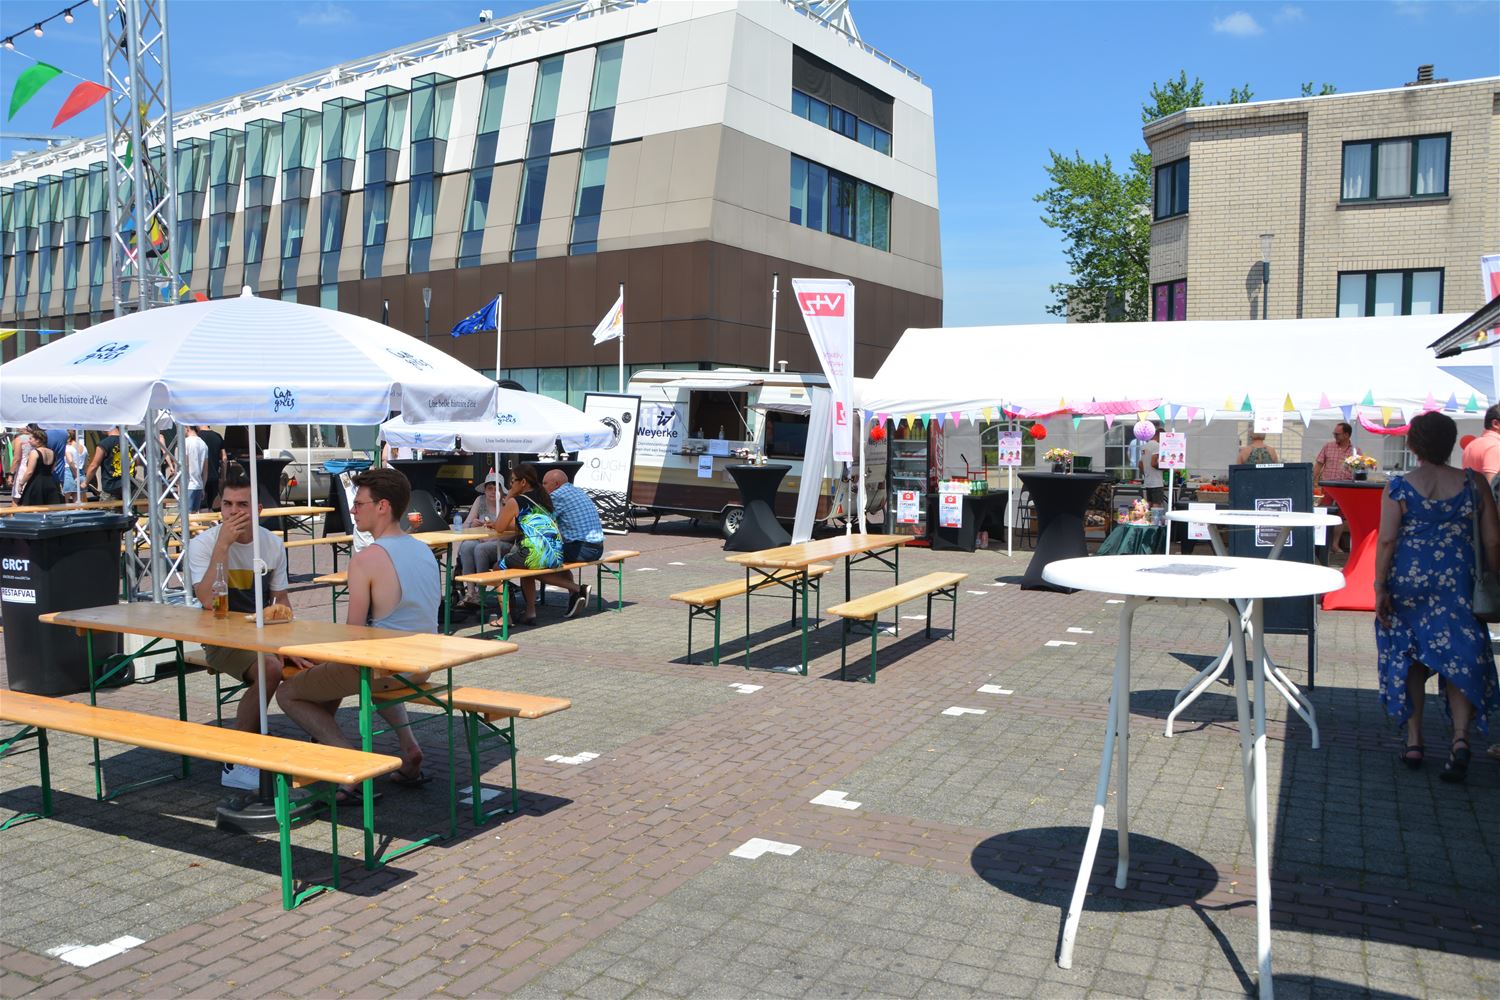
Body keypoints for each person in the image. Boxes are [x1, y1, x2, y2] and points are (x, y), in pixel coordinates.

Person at [277, 468, 436, 797]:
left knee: (288, 693)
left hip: (383, 668)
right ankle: (409, 749)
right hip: (422, 665)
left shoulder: (367, 559)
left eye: (359, 503)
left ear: (382, 506)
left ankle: (352, 767)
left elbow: (353, 635)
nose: (352, 510)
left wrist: (312, 652)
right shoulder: (424, 550)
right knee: (346, 676)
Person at [1375, 411, 1500, 782]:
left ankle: (1414, 741)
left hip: (1408, 580)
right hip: (1458, 582)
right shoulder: (1474, 483)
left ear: (1413, 445)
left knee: (1409, 653)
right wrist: (1494, 577)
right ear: (1450, 443)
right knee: (1460, 653)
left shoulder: (1399, 487)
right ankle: (1460, 739)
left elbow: (1387, 540)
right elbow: (1494, 540)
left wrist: (1380, 586)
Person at [187, 466, 290, 787]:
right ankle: (237, 758)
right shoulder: (204, 545)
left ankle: (322, 752)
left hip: (264, 637)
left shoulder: (271, 544)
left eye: (242, 505)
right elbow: (207, 600)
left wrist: (292, 644)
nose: (233, 512)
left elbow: (282, 604)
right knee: (270, 669)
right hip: (221, 639)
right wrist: (224, 545)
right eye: (228, 504)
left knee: (323, 664)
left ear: (258, 510)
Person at [518, 469, 605, 618]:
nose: (542, 487)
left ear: (556, 484)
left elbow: (537, 520)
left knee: (532, 564)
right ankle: (574, 596)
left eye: (545, 483)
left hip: (581, 548)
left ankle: (577, 589)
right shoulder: (577, 491)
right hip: (596, 548)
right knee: (557, 556)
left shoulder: (556, 496)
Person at [486, 463, 562, 627]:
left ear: (523, 482)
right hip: (555, 554)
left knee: (497, 568)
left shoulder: (516, 501)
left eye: (513, 481)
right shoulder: (544, 498)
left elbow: (500, 528)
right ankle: (530, 612)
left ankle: (505, 618)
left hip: (535, 555)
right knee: (526, 572)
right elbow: (524, 524)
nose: (510, 485)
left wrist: (508, 498)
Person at [457, 473, 506, 608]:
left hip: (502, 542)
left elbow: (512, 533)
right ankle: (470, 592)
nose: (493, 491)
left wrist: (492, 539)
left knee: (480, 548)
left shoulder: (506, 503)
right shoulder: (480, 500)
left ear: (502, 491)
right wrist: (472, 524)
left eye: (497, 488)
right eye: (490, 488)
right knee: (466, 546)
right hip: (481, 540)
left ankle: (481, 592)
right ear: (484, 490)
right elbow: (465, 527)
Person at [1313, 422, 1357, 564]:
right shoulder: (1328, 446)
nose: (1335, 436)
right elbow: (1319, 464)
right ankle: (1319, 544)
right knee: (1323, 513)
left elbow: (1360, 468)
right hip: (1328, 486)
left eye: (1337, 434)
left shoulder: (1355, 451)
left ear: (1346, 435)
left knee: (1341, 516)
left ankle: (1334, 544)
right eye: (1334, 433)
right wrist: (1312, 480)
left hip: (1345, 488)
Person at [17, 429, 64, 507]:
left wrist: (21, 483)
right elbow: (52, 469)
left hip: (36, 483)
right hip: (50, 482)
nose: (29, 441)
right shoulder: (52, 452)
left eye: (31, 438)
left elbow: (29, 472)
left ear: (38, 440)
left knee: (33, 508)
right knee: (49, 508)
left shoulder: (34, 452)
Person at [82, 427, 126, 499]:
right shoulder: (130, 442)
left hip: (111, 488)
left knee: (106, 505)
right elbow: (137, 462)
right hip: (129, 488)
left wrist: (85, 482)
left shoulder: (104, 444)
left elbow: (94, 465)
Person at [197, 426, 226, 511]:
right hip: (214, 476)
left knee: (200, 507)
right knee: (213, 506)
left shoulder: (197, 437)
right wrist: (223, 477)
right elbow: (224, 457)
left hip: (199, 477)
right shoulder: (217, 436)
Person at [183, 425, 209, 513]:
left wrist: (179, 486)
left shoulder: (185, 443)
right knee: (194, 515)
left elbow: (184, 465)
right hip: (199, 485)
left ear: (187, 427)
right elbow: (205, 470)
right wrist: (203, 487)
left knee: (185, 516)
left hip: (187, 485)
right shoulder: (203, 444)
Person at [1137, 424, 1165, 507]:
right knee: (1156, 504)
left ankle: (1148, 516)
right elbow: (1153, 463)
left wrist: (1145, 474)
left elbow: (1140, 464)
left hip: (1148, 482)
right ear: (1160, 436)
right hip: (1157, 482)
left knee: (1149, 503)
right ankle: (1155, 516)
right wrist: (1166, 468)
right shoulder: (1157, 446)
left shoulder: (1144, 446)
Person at [62, 430, 87, 499]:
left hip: (70, 474)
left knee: (66, 501)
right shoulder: (84, 447)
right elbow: (85, 462)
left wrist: (76, 476)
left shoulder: (68, 448)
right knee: (78, 501)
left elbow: (70, 462)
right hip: (81, 474)